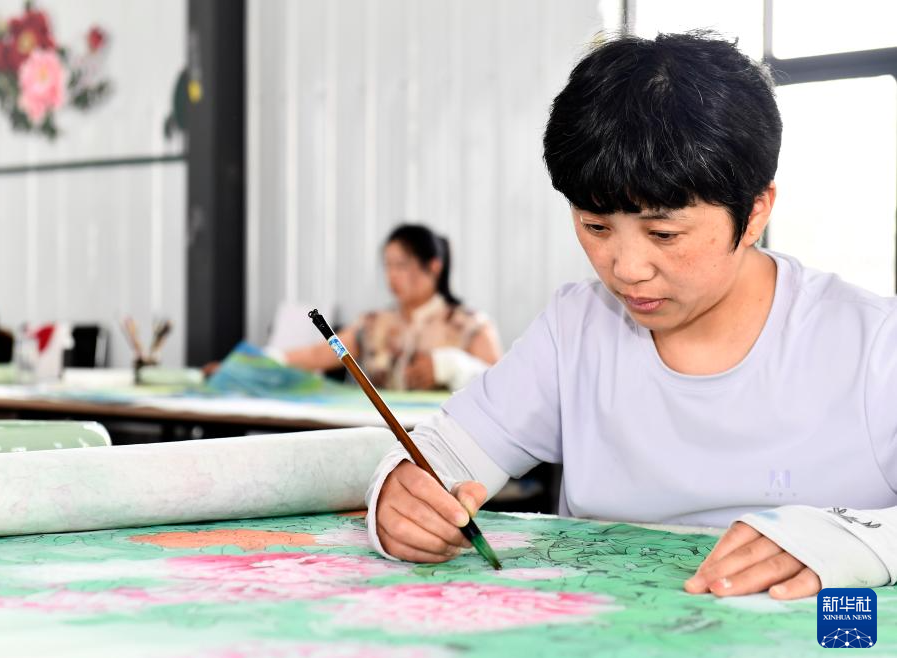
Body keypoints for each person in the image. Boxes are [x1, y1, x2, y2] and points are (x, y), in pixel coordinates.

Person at [366, 31, 897, 600]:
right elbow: (443, 454)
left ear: (755, 213)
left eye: (664, 233)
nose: (625, 269)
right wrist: (400, 497)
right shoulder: (576, 328)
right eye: (595, 227)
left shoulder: (873, 346)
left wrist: (858, 543)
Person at [281, 223, 502, 391]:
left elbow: (500, 387)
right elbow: (318, 354)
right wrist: (271, 359)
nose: (392, 275)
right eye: (388, 266)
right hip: (384, 433)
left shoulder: (470, 325)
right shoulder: (373, 324)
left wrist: (451, 366)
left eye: (401, 265)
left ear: (434, 267)